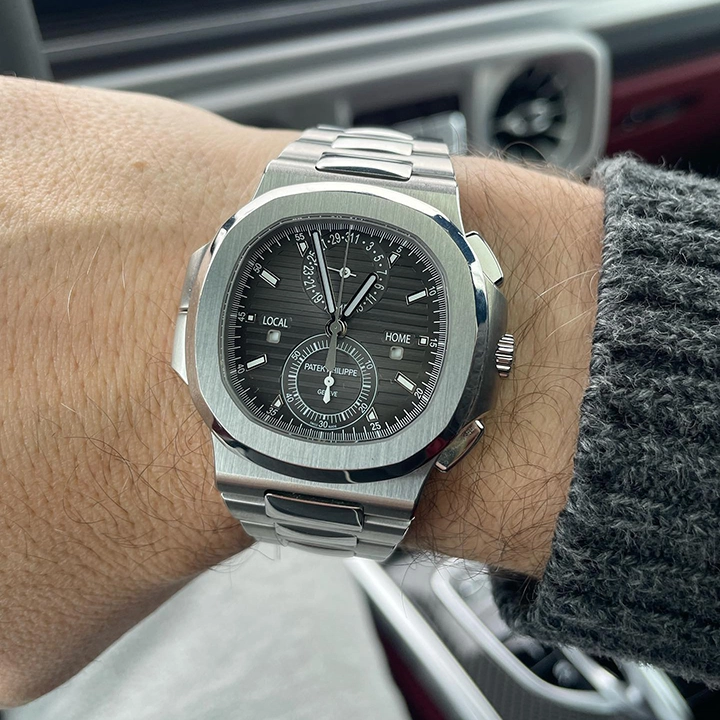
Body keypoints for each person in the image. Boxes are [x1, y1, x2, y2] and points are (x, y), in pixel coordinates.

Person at [0, 76, 716, 708]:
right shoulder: (228, 327)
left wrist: (559, 369)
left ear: (496, 351)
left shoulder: (474, 348)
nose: (337, 326)